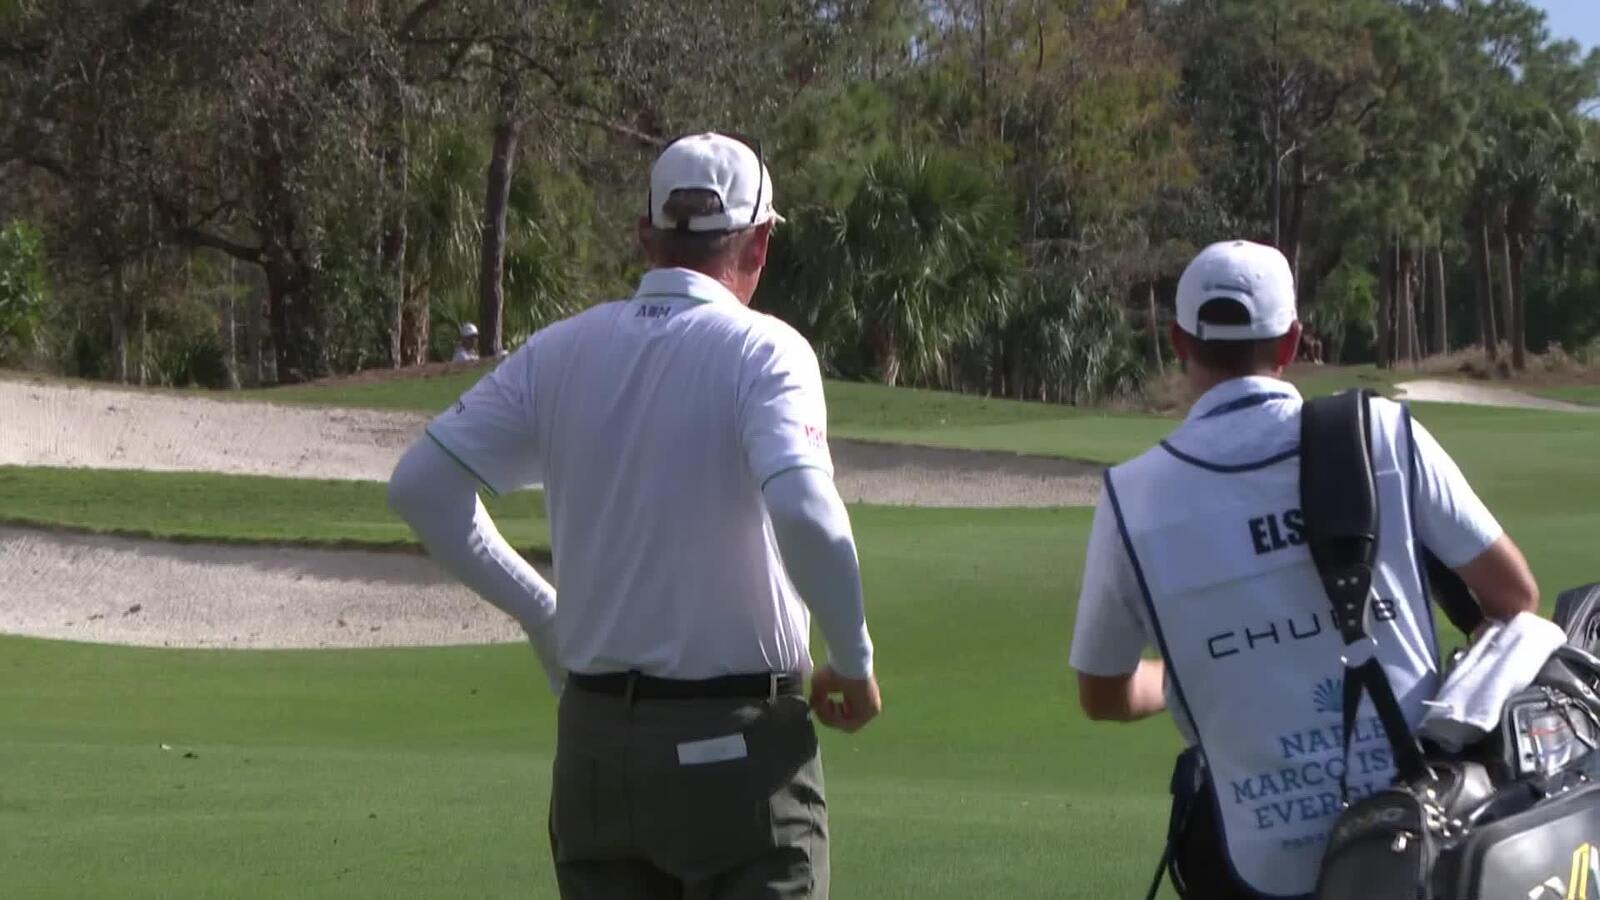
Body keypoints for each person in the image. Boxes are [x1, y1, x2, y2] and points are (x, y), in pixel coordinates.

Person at [387, 132, 880, 899]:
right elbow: (809, 517)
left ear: (645, 234)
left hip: (595, 754)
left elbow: (420, 486)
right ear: (759, 243)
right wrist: (852, 657)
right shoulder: (768, 353)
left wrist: (542, 615)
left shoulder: (555, 352)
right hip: (741, 758)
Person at [1068, 240, 1539, 898]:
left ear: (1178, 340)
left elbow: (1103, 696)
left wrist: (1191, 669)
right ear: (1291, 343)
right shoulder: (1382, 432)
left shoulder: (1132, 496)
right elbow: (1513, 596)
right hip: (1419, 836)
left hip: (1259, 864)